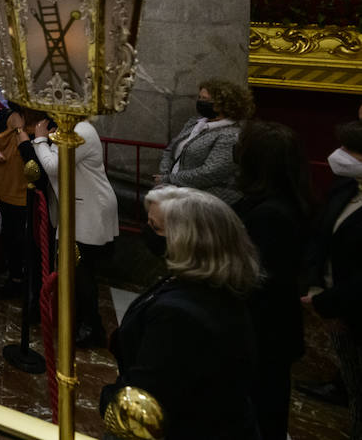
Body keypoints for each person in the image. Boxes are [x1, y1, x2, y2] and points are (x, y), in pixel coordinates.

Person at [101, 186, 261, 440]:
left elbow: (148, 402)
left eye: (155, 228)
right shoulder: (209, 284)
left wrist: (108, 397)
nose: (147, 232)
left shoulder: (178, 316)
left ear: (186, 240)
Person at [233, 120, 310, 440]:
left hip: (263, 335)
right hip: (264, 331)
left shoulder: (272, 214)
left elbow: (258, 279)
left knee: (262, 414)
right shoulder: (278, 200)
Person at [24, 117, 119, 347]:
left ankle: (92, 327)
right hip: (77, 206)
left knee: (81, 270)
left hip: (89, 208)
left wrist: (38, 140)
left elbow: (55, 167)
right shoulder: (71, 129)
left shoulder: (82, 131)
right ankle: (79, 320)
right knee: (74, 269)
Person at [303, 120, 362, 440]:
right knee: (353, 383)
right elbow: (320, 237)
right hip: (331, 301)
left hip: (351, 303)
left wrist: (329, 302)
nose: (341, 155)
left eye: (352, 151)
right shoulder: (345, 187)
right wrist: (316, 289)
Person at [157, 78, 253, 205]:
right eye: (200, 98)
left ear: (224, 104)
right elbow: (171, 149)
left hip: (206, 201)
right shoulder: (194, 123)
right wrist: (164, 175)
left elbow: (210, 173)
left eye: (206, 100)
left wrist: (169, 179)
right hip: (175, 192)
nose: (200, 102)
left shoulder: (231, 134)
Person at [0, 109, 30, 298]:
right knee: (6, 234)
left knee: (21, 238)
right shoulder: (2, 116)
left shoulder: (45, 126)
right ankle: (11, 272)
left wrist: (21, 133)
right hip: (0, 185)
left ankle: (20, 278)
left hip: (23, 191)